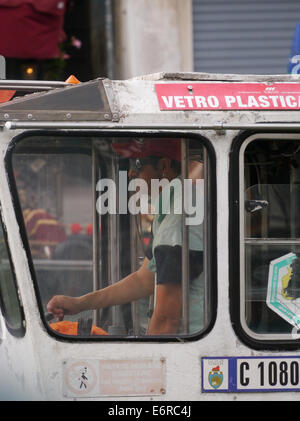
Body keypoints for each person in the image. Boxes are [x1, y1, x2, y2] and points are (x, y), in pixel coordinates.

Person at [47, 139, 204, 335]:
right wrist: (79, 303)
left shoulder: (176, 223)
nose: (131, 173)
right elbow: (143, 280)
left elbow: (166, 320)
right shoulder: (177, 207)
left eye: (137, 164)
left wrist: (150, 362)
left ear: (164, 166)